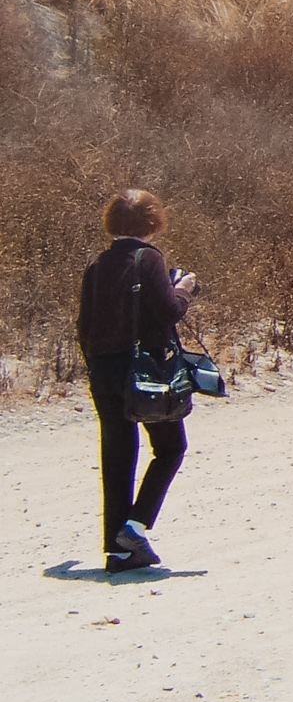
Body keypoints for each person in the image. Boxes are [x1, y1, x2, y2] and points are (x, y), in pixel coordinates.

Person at [75, 189, 196, 574]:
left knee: (116, 456)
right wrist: (184, 291)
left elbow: (84, 325)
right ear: (153, 221)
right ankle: (135, 526)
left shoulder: (97, 264)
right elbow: (166, 311)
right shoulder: (149, 259)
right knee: (170, 448)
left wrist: (96, 365)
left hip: (102, 369)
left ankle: (118, 551)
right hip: (142, 372)